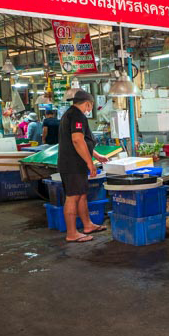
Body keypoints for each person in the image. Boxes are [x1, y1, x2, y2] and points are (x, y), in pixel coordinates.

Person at [57, 90, 110, 242]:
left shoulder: (69, 114)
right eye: (90, 107)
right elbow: (77, 140)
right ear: (88, 103)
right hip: (73, 164)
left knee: (81, 195)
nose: (89, 110)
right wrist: (89, 163)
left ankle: (88, 225)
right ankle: (72, 233)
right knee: (73, 197)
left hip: (72, 163)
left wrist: (97, 156)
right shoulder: (77, 115)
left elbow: (84, 142)